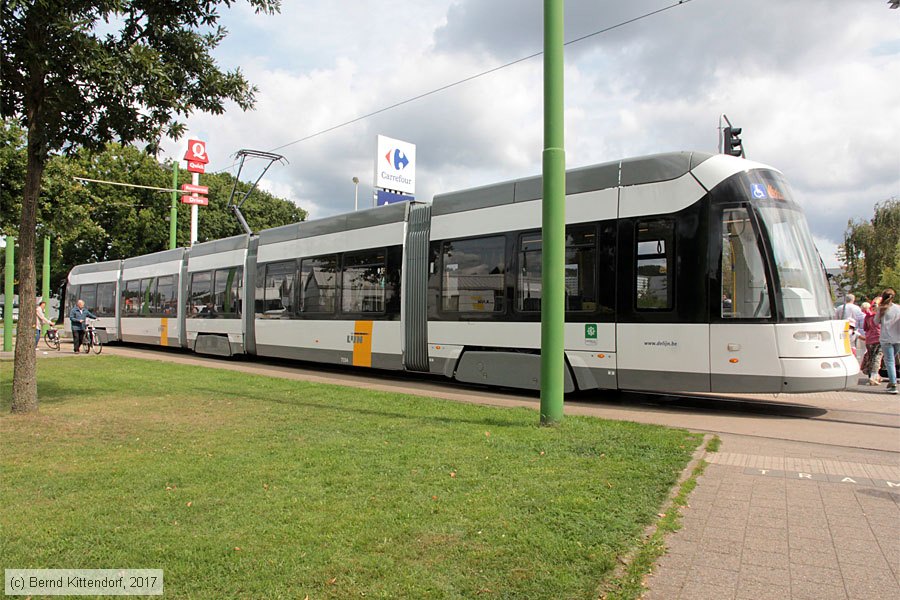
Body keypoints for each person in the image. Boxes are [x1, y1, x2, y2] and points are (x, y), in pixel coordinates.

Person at [874, 288, 900, 395]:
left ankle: (893, 384)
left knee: (889, 362)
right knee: (892, 360)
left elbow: (875, 322)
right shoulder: (898, 308)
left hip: (886, 339)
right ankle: (892, 383)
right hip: (898, 338)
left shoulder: (882, 309)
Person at [862, 297, 882, 385]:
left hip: (869, 339)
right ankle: (874, 376)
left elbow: (865, 328)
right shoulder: (879, 316)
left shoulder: (867, 316)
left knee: (871, 357)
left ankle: (871, 375)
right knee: (877, 357)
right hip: (879, 338)